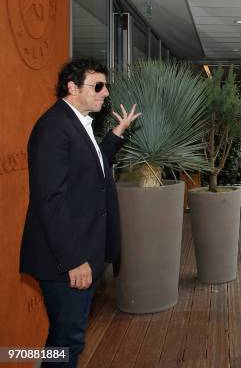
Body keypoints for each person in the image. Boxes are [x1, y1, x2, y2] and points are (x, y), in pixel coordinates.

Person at [19, 58, 141, 368]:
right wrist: (73, 260)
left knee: (64, 337)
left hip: (79, 255)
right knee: (68, 341)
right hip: (65, 262)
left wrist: (116, 134)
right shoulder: (54, 128)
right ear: (72, 87)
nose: (105, 93)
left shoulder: (76, 122)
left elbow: (91, 167)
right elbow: (50, 201)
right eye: (97, 86)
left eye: (105, 86)